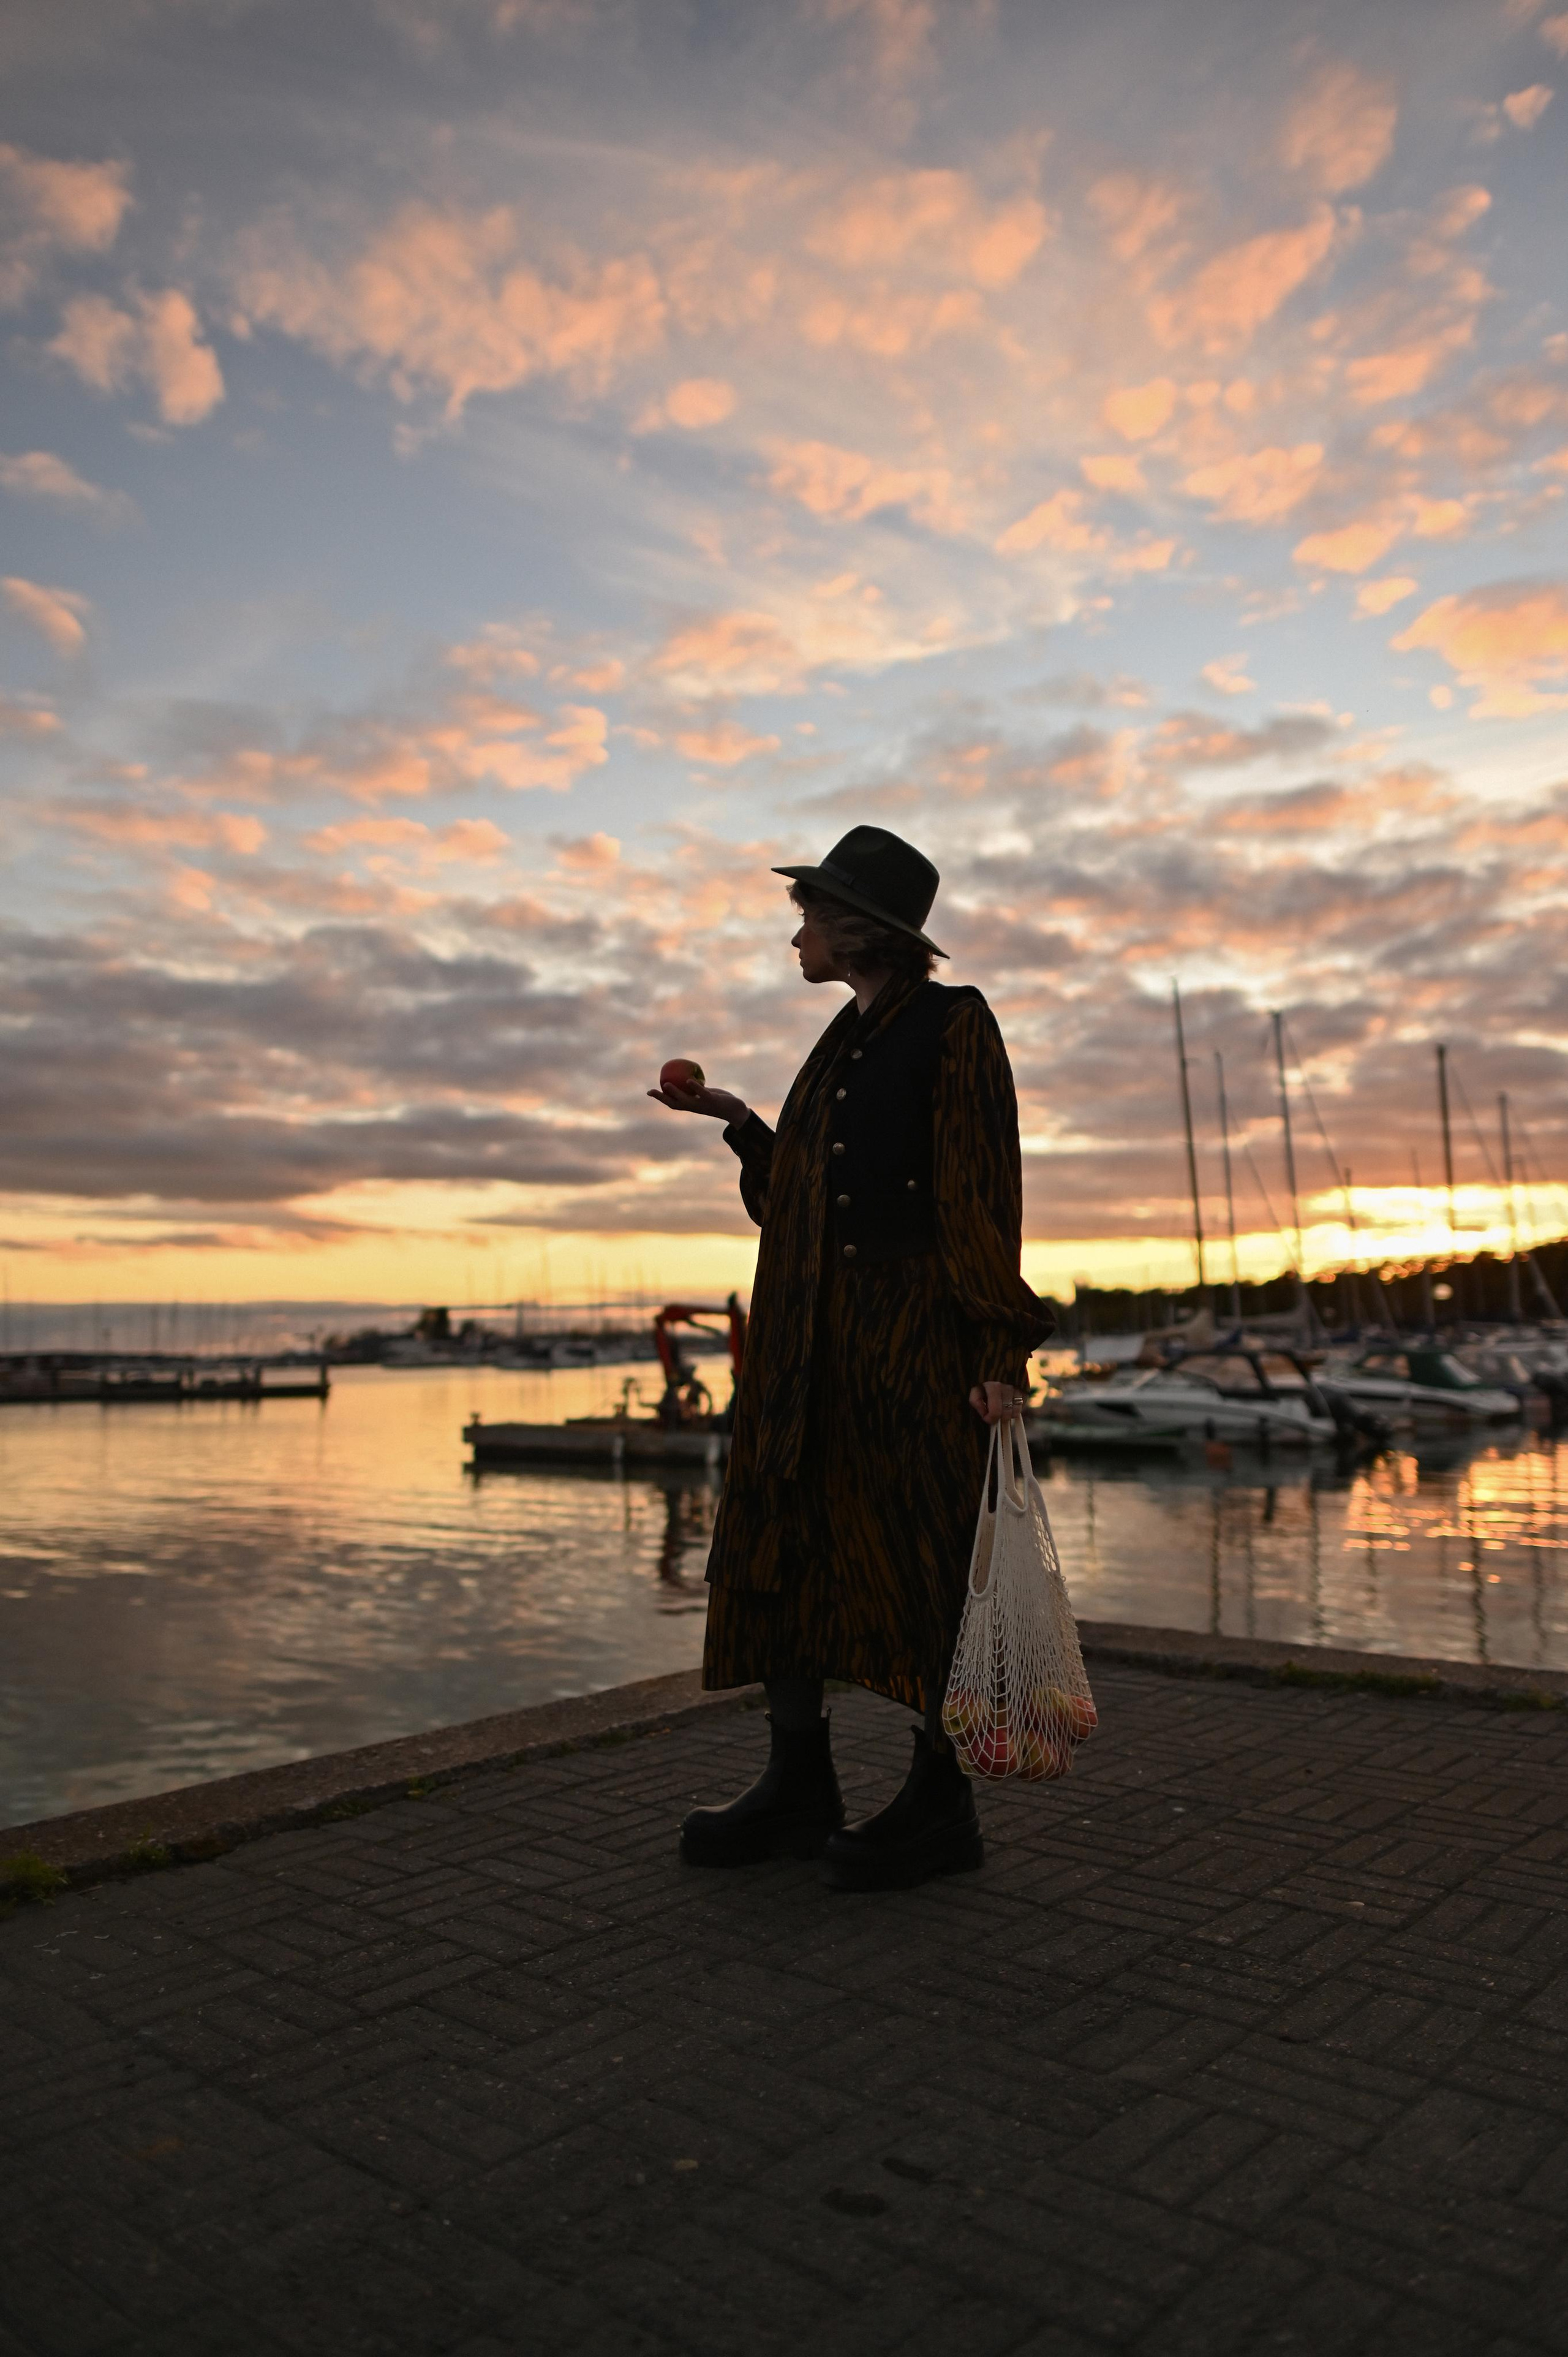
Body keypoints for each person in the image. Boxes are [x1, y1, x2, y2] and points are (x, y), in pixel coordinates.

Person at [648, 825, 1052, 1891]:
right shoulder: (840, 1039)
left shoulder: (955, 1026)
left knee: (915, 1556)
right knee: (783, 1544)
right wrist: (737, 1119)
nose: (796, 934)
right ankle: (799, 1783)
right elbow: (804, 1197)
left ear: (861, 928)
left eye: (812, 914)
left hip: (906, 1341)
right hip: (805, 1343)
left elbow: (978, 1193)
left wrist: (998, 1344)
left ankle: (939, 1806)